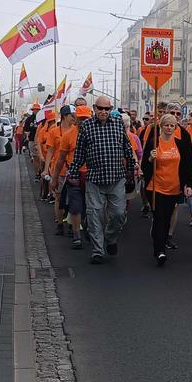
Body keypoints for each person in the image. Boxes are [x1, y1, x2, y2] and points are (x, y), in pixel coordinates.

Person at [67, 96, 139, 264]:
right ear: (95, 108)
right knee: (94, 215)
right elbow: (79, 153)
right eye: (100, 108)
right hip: (95, 179)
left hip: (116, 178)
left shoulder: (117, 123)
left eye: (107, 109)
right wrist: (74, 173)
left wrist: (131, 171)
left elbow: (127, 149)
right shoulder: (86, 126)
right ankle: (98, 250)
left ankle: (111, 238)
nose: (104, 112)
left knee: (119, 214)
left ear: (110, 109)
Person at [147, 114, 192, 266]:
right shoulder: (153, 142)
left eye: (172, 125)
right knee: (159, 217)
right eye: (166, 125)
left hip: (173, 187)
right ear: (161, 126)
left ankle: (159, 243)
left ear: (175, 128)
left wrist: (188, 185)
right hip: (155, 187)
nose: (169, 128)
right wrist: (150, 159)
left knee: (166, 219)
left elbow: (187, 165)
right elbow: (144, 166)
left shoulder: (180, 144)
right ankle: (160, 251)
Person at [51, 105, 92, 249]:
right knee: (75, 207)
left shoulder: (95, 134)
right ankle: (76, 235)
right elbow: (60, 159)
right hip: (74, 175)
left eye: (86, 118)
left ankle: (86, 226)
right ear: (76, 119)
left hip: (92, 176)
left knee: (90, 207)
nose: (84, 121)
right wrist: (54, 178)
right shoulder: (68, 135)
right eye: (81, 119)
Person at [43, 105, 76, 235]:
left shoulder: (76, 130)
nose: (74, 118)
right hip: (59, 169)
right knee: (59, 197)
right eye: (71, 115)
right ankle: (60, 223)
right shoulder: (54, 132)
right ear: (64, 116)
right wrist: (46, 169)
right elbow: (50, 152)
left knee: (73, 198)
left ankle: (72, 223)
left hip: (73, 170)